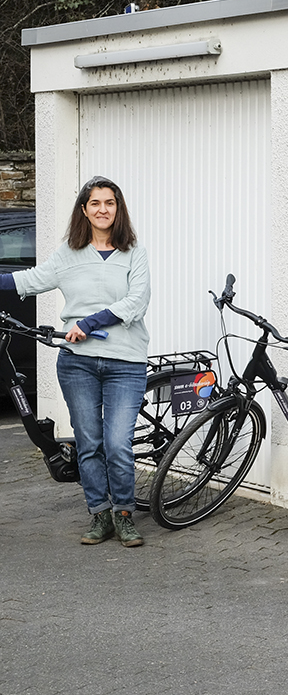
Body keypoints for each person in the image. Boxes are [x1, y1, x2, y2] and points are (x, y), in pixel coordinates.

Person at [5, 176, 151, 547]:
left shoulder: (133, 252)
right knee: (89, 443)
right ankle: (100, 514)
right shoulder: (68, 254)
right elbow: (31, 280)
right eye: (95, 203)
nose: (103, 209)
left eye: (110, 203)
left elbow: (136, 303)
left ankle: (124, 514)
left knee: (118, 444)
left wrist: (89, 322)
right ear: (84, 210)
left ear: (118, 209)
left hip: (124, 362)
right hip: (78, 364)